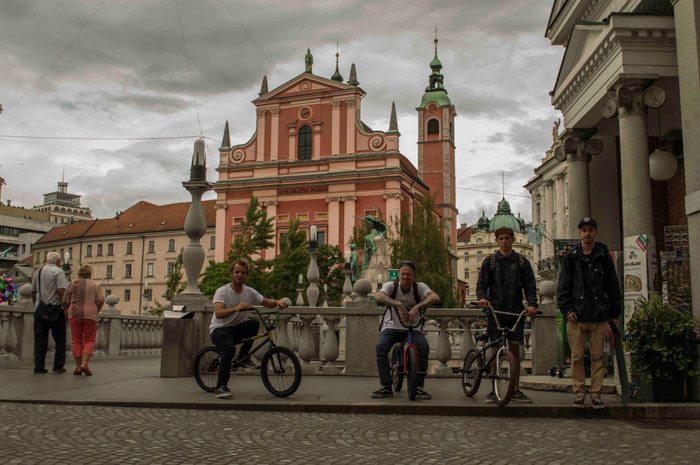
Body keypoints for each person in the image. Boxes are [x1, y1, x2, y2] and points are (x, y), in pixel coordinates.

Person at [557, 217, 621, 409]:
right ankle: (578, 392)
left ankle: (595, 394)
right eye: (584, 230)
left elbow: (612, 285)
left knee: (598, 357)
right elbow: (563, 285)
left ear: (595, 232)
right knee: (576, 357)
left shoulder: (602, 255)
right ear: (579, 233)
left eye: (590, 230)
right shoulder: (571, 256)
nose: (587, 233)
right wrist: (567, 309)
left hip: (599, 315)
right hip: (576, 316)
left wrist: (613, 312)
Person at [210, 259, 288, 399]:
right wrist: (236, 308)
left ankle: (243, 358)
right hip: (219, 330)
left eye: (243, 273)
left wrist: (278, 302)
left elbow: (266, 302)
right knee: (229, 350)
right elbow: (219, 313)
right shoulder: (222, 291)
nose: (240, 275)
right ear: (231, 274)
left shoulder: (249, 292)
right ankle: (220, 387)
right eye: (237, 272)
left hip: (236, 329)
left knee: (254, 323)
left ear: (246, 275)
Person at [476, 226, 538, 403]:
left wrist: (532, 304)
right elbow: (482, 284)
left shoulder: (521, 262)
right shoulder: (490, 261)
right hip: (495, 310)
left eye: (507, 238)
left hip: (515, 309)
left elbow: (530, 286)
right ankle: (494, 389)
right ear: (497, 241)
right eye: (501, 238)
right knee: (495, 349)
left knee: (515, 350)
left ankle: (515, 389)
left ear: (512, 239)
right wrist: (481, 298)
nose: (504, 241)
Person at [372, 260, 440, 399]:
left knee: (423, 348)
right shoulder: (391, 286)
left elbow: (435, 297)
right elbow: (379, 296)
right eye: (402, 274)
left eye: (408, 274)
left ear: (413, 275)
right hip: (392, 326)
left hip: (412, 329)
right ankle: (386, 386)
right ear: (398, 274)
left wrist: (417, 307)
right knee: (381, 348)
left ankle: (419, 387)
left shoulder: (419, 287)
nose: (405, 277)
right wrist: (398, 304)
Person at [62, 264, 104, 376]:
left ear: (79, 272)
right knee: (89, 340)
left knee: (76, 340)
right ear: (90, 273)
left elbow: (65, 299)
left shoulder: (73, 283)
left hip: (74, 314)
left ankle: (77, 366)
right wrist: (96, 310)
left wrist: (66, 310)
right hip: (90, 315)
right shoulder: (95, 285)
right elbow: (100, 300)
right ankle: (84, 364)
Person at [31, 251, 69, 374]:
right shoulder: (59, 272)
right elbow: (61, 291)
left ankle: (38, 367)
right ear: (58, 261)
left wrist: (36, 304)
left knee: (40, 340)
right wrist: (65, 307)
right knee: (60, 339)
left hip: (40, 309)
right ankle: (58, 366)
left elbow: (33, 291)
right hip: (55, 309)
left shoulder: (38, 272)